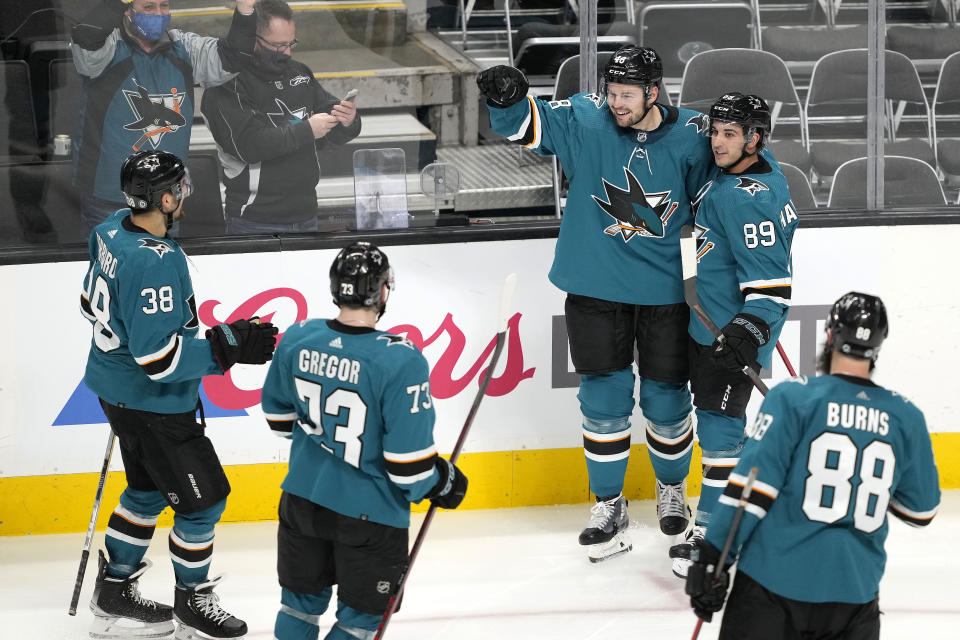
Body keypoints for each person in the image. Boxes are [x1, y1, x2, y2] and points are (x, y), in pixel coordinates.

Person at [478, 46, 714, 561]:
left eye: (627, 95)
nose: (616, 103)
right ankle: (609, 505)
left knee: (667, 403)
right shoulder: (586, 116)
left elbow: (721, 202)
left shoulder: (697, 133)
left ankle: (672, 490)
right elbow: (526, 125)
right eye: (611, 93)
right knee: (603, 404)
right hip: (594, 289)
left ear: (654, 92)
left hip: (669, 295)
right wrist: (508, 96)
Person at [81, 150, 278, 639]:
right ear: (165, 198)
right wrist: (226, 346)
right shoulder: (157, 263)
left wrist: (220, 339)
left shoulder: (108, 228)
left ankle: (113, 590)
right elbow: (160, 361)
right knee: (203, 503)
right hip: (153, 406)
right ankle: (192, 602)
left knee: (146, 492)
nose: (185, 194)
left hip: (114, 388)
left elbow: (90, 304)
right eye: (181, 188)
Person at [685, 292, 941, 639]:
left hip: (772, 590)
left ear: (831, 335)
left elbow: (749, 493)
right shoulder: (906, 417)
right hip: (854, 599)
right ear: (878, 348)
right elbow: (921, 510)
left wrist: (713, 559)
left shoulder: (793, 398)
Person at [260, 241, 469, 640]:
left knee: (298, 606)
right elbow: (409, 467)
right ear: (383, 291)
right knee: (361, 620)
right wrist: (442, 482)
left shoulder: (299, 337)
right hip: (370, 517)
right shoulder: (400, 359)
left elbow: (279, 420)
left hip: (302, 500)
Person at [667, 92, 799, 579]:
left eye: (729, 134)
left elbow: (771, 281)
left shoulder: (745, 199)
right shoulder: (759, 169)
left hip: (729, 331)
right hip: (711, 323)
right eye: (715, 132)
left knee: (721, 430)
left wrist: (749, 328)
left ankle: (715, 532)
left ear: (754, 138)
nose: (717, 143)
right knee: (714, 423)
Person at [70, 0, 257, 235]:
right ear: (128, 11)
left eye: (164, 6)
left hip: (163, 199)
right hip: (108, 200)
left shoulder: (183, 47)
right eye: (148, 7)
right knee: (110, 271)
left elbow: (233, 57)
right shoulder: (108, 47)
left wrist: (245, 10)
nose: (159, 14)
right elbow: (86, 38)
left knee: (160, 268)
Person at [200, 0, 361, 234]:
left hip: (306, 213)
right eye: (278, 45)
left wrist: (348, 121)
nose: (286, 52)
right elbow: (249, 146)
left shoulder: (300, 73)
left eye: (290, 43)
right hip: (254, 220)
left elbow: (328, 131)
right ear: (252, 39)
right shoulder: (226, 84)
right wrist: (307, 129)